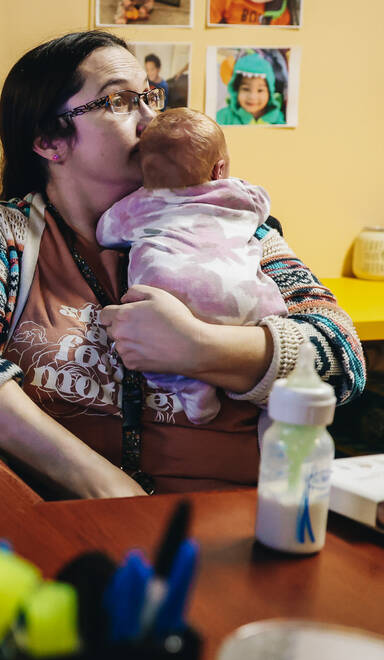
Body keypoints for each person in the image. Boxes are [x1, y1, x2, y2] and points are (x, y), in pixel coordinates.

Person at [0, 31, 363, 498]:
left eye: (150, 97)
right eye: (121, 101)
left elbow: (342, 357)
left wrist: (199, 347)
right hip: (66, 527)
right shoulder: (3, 235)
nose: (151, 119)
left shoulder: (232, 225)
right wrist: (99, 482)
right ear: (49, 141)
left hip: (236, 527)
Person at [95, 108, 287, 426]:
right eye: (120, 101)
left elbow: (105, 232)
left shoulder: (138, 205)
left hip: (172, 296)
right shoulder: (239, 194)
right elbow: (261, 205)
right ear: (219, 169)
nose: (146, 115)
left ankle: (194, 392)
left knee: (153, 349)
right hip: (245, 301)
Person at [216, 52, 286, 125]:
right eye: (246, 89)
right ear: (236, 89)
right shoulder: (223, 117)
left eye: (260, 90)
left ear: (270, 92)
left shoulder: (277, 118)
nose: (252, 97)